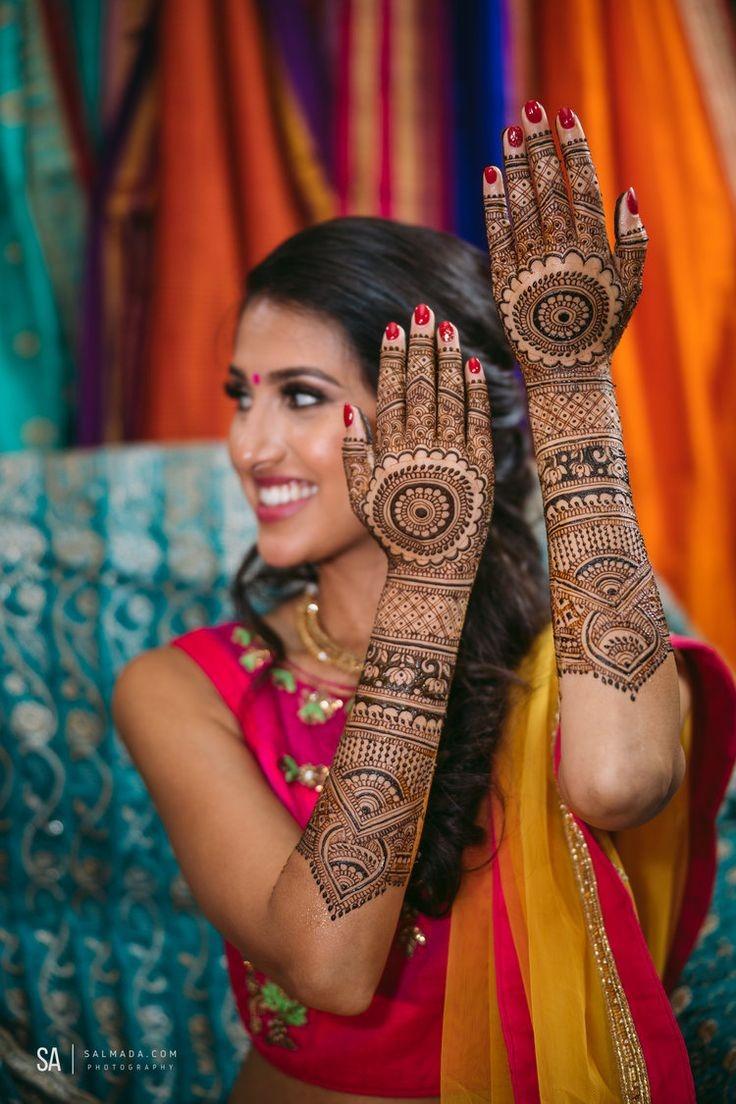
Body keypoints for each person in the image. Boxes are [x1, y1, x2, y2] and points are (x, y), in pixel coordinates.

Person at [111, 100, 736, 1104]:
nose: (247, 446)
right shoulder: (183, 688)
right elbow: (329, 966)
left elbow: (623, 782)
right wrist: (427, 580)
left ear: (437, 416)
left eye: (302, 396)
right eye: (242, 394)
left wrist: (570, 384)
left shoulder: (562, 659)